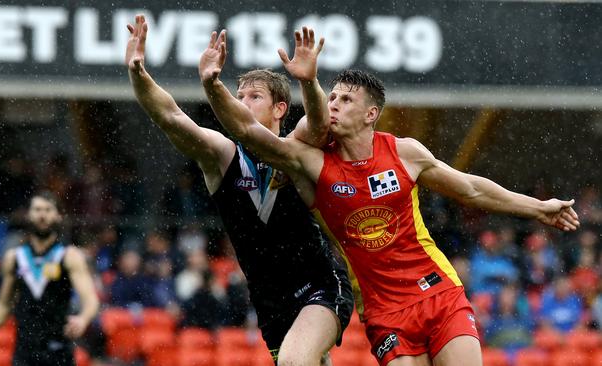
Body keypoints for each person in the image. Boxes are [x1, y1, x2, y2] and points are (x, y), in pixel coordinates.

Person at [199, 29, 581, 366]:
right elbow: (249, 133)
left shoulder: (405, 152)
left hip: (439, 292)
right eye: (331, 98)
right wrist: (216, 84)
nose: (334, 105)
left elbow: (471, 188)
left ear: (371, 113)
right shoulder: (311, 164)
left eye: (346, 100)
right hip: (385, 312)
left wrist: (539, 209)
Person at [125, 15, 353, 365]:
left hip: (319, 284)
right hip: (269, 301)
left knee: (295, 362)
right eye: (239, 95)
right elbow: (169, 117)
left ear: (280, 108)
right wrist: (138, 73)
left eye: (254, 96)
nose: (243, 102)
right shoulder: (220, 156)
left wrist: (308, 83)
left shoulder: (298, 148)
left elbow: (320, 123)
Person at [0, 192, 100, 366]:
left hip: (59, 351)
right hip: (25, 352)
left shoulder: (69, 256)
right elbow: (2, 305)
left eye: (48, 210)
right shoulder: (14, 258)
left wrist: (83, 318)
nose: (42, 215)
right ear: (28, 215)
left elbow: (90, 298)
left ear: (58, 216)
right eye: (37, 209)